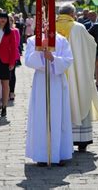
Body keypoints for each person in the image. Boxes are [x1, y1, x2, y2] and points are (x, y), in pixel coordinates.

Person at [56, 4, 98, 152]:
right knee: (79, 94)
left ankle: (61, 139)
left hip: (57, 73)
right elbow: (90, 46)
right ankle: (81, 139)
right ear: (72, 13)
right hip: (77, 73)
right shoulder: (78, 28)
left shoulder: (51, 28)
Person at [25, 31, 74, 166]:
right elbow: (28, 60)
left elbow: (68, 59)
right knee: (41, 115)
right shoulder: (33, 40)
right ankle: (42, 154)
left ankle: (59, 153)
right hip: (41, 80)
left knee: (58, 115)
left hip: (57, 80)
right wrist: (40, 52)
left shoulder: (62, 40)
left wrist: (53, 58)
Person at [0, 13, 19, 117]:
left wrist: (12, 62)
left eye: (4, 18)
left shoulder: (11, 32)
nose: (2, 20)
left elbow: (13, 48)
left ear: (7, 20)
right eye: (0, 18)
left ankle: (4, 106)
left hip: (6, 60)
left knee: (5, 84)